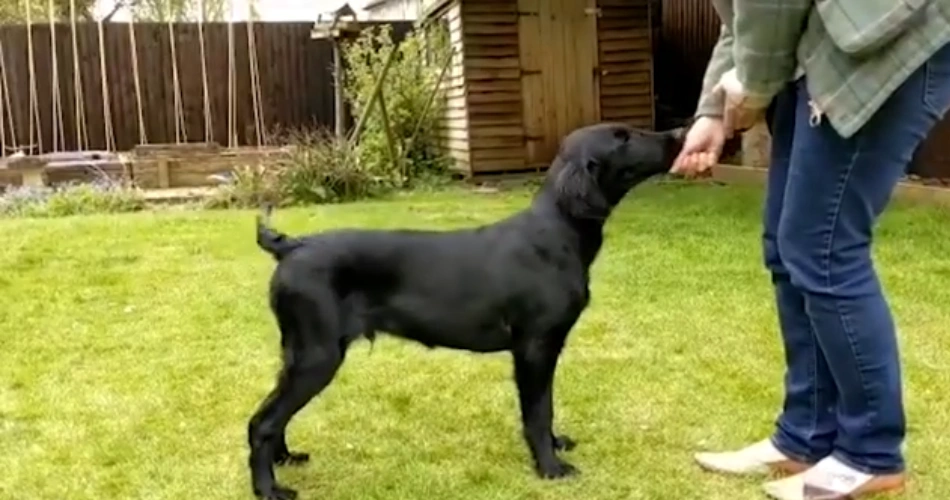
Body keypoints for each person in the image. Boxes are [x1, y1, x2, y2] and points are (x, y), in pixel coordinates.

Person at [670, 1, 950, 499]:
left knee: (824, 247)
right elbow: (741, 16)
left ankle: (870, 453)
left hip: (891, 35)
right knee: (787, 244)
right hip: (827, 39)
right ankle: (805, 435)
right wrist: (714, 110)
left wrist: (753, 88)